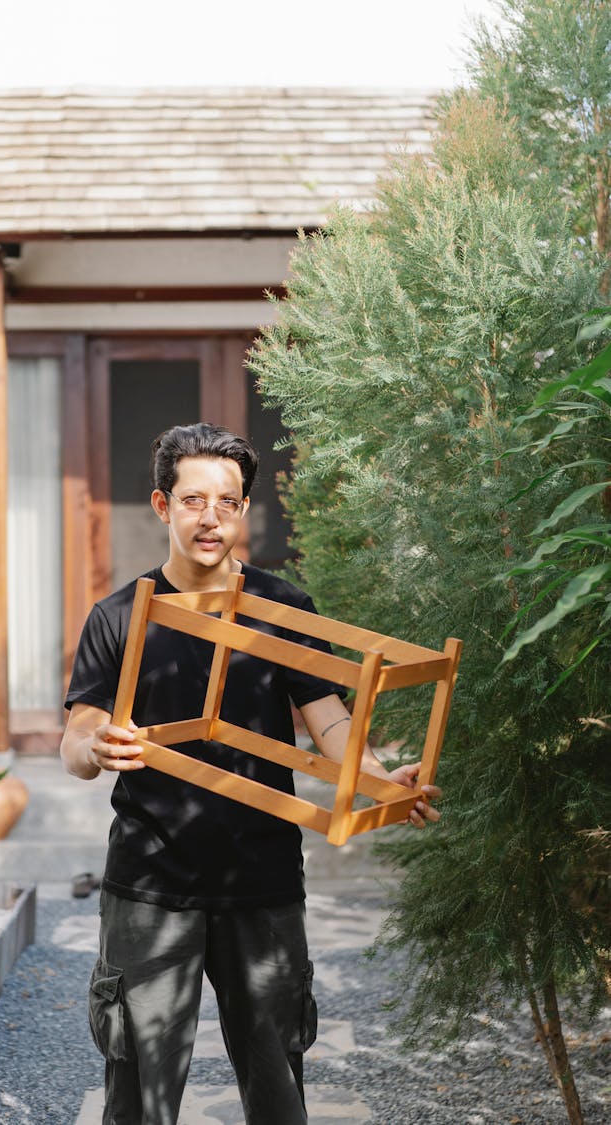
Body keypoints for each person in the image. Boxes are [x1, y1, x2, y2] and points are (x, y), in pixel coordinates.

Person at [60, 422, 441, 1125]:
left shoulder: (285, 608)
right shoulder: (119, 615)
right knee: (138, 1098)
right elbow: (79, 730)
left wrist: (383, 778)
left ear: (243, 510)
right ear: (162, 504)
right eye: (195, 499)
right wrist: (96, 745)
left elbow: (326, 721)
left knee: (277, 1093)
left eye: (228, 501)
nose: (211, 517)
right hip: (150, 884)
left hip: (261, 879)